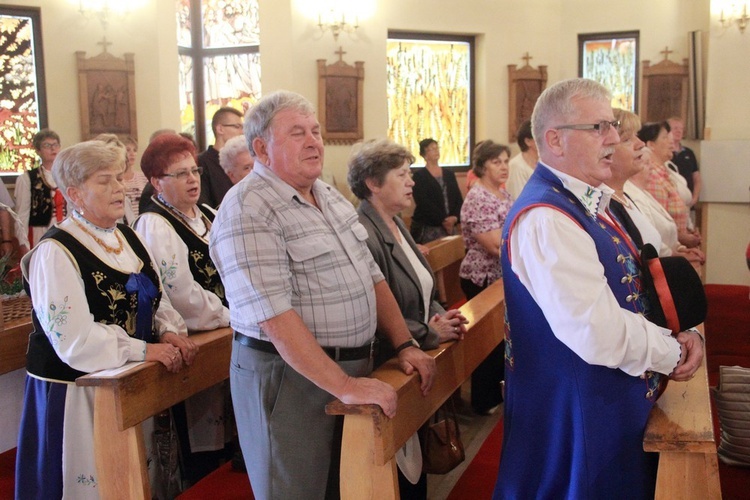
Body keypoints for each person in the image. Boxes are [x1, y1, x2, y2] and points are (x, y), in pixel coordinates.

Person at [210, 90, 436, 500]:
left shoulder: (327, 196)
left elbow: (372, 277)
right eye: (297, 133)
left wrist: (404, 343)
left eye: (315, 131)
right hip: (288, 379)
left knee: (349, 488)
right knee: (297, 491)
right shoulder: (247, 208)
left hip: (347, 369)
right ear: (261, 147)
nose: (314, 141)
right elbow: (274, 317)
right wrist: (344, 384)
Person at [494, 78, 704, 499]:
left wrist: (686, 333)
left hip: (605, 399)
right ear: (554, 140)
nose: (614, 138)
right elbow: (594, 330)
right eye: (599, 128)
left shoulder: (587, 200)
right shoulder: (546, 217)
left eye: (612, 126)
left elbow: (638, 287)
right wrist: (673, 352)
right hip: (576, 413)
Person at [14, 140, 196, 500]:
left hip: (128, 381)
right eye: (104, 180)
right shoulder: (55, 251)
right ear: (75, 194)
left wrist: (169, 330)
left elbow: (154, 296)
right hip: (77, 394)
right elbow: (74, 341)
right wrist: (145, 350)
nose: (118, 188)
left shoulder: (125, 235)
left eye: (118, 177)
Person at [347, 138, 466, 498]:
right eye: (402, 174)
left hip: (416, 353)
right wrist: (428, 332)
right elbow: (377, 306)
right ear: (373, 183)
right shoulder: (363, 232)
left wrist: (444, 317)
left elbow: (424, 288)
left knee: (416, 468)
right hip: (390, 361)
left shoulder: (397, 223)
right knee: (400, 474)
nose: (411, 181)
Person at [134, 133, 231, 484]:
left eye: (195, 171)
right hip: (198, 336)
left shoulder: (206, 213)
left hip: (225, 329)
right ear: (156, 182)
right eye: (180, 174)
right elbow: (179, 293)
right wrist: (231, 316)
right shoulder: (155, 223)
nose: (192, 180)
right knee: (202, 437)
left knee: (228, 438)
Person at [607, 109, 704, 265]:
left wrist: (678, 248)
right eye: (627, 139)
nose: (640, 144)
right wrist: (676, 255)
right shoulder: (607, 200)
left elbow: (652, 237)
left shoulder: (626, 195)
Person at [459, 140, 513, 415]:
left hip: (502, 278)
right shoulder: (478, 198)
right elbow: (495, 245)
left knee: (501, 339)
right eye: (496, 162)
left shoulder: (502, 193)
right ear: (482, 166)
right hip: (481, 277)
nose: (503, 166)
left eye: (505, 161)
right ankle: (484, 399)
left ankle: (498, 391)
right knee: (486, 342)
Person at [637, 121, 700, 249]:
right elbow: (659, 224)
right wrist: (682, 239)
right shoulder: (652, 176)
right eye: (665, 137)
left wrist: (687, 231)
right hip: (670, 249)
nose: (671, 141)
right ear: (650, 145)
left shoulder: (666, 171)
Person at [14, 129, 67, 254]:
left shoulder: (67, 175)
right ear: (38, 151)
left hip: (66, 230)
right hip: (40, 231)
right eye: (47, 146)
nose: (52, 149)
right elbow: (22, 214)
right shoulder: (27, 178)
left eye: (55, 145)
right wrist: (23, 243)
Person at [410, 138, 463, 244]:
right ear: (424, 154)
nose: (436, 151)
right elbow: (423, 202)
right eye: (431, 149)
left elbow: (458, 198)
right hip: (430, 226)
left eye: (436, 148)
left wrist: (454, 218)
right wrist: (443, 221)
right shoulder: (419, 176)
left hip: (451, 225)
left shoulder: (449, 174)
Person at [198, 107, 244, 208]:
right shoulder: (202, 163)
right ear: (220, 129)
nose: (242, 132)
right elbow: (204, 206)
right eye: (237, 127)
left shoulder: (242, 161)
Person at [667, 116, 701, 208]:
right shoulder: (664, 153)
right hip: (669, 203)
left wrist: (694, 198)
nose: (679, 131)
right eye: (675, 128)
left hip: (688, 203)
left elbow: (696, 178)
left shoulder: (689, 153)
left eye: (681, 128)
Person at [506, 120, 538, 199]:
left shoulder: (545, 161)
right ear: (528, 142)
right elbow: (518, 199)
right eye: (539, 137)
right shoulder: (516, 166)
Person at [122, 136, 149, 218]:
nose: (132, 153)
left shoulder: (143, 177)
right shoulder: (116, 179)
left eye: (135, 150)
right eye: (128, 150)